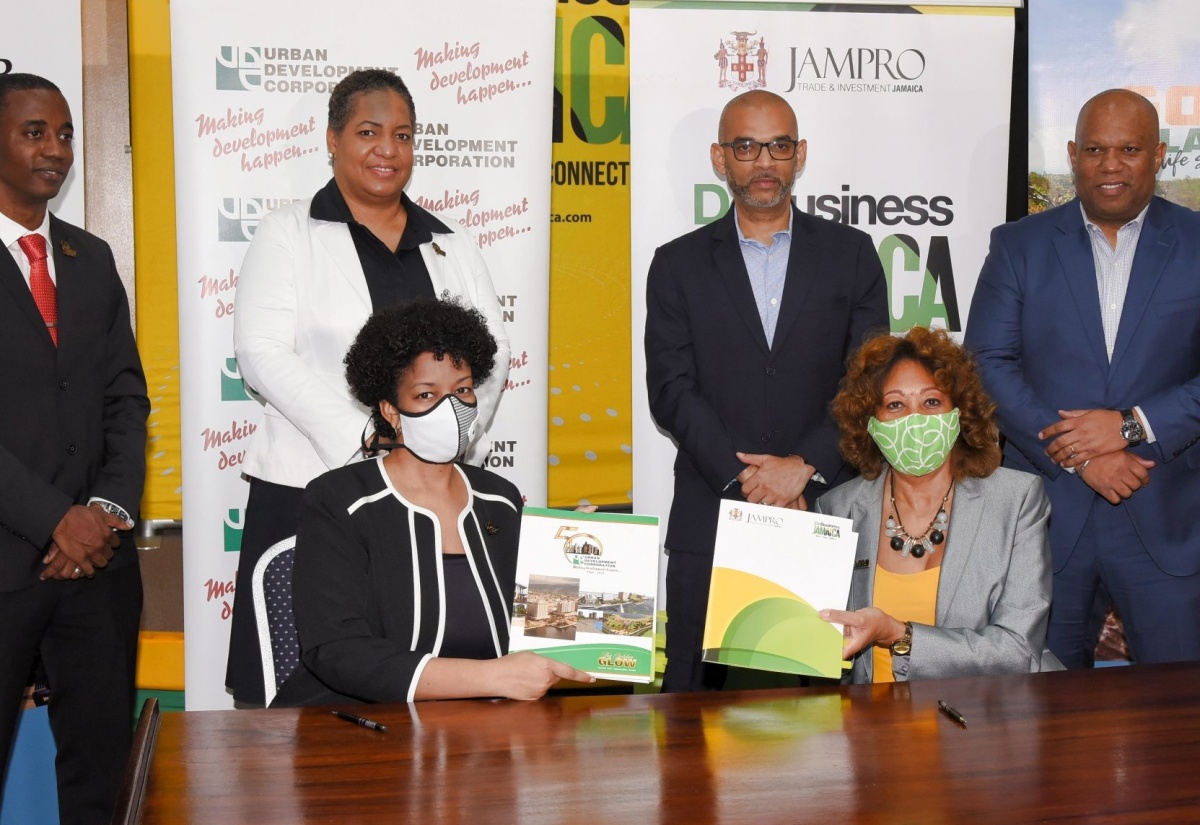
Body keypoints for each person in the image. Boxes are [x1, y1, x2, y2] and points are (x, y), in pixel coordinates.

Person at [228, 69, 511, 705]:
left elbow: (494, 356)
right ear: (332, 139)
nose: (388, 148)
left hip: (432, 495)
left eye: (403, 135)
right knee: (304, 692)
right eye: (368, 131)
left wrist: (451, 434)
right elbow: (261, 352)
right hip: (308, 486)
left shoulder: (449, 242)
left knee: (417, 662)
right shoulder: (289, 231)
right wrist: (366, 440)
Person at [644, 89, 888, 692]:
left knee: (811, 726)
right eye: (745, 146)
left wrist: (804, 467)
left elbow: (868, 381)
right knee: (693, 723)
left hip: (821, 512)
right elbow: (671, 390)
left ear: (799, 154)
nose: (763, 162)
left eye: (778, 146)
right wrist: (747, 481)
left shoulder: (852, 254)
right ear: (719, 158)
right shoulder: (676, 264)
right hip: (713, 512)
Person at [964, 89, 1200, 668]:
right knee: (1035, 724)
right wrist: (1081, 455)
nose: (1111, 164)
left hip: (1167, 521)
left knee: (1176, 725)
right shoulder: (1018, 245)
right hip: (1047, 522)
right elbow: (986, 362)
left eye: (1129, 149)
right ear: (1073, 153)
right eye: (1095, 149)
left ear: (1159, 154)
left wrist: (1132, 426)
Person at [272, 300, 590, 705]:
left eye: (462, 390)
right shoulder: (340, 500)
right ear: (391, 411)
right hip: (366, 730)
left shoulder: (501, 500)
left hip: (491, 729)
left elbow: (548, 634)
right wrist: (492, 678)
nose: (451, 408)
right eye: (426, 395)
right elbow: (337, 650)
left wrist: (571, 565)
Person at [0, 74, 148, 822]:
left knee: (100, 782)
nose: (55, 149)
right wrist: (54, 516)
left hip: (97, 567)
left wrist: (103, 509)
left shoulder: (91, 259)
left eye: (63, 133)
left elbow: (127, 397)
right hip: (6, 560)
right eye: (34, 131)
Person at [817, 328, 1057, 683]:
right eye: (895, 405)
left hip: (980, 721)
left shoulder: (1016, 500)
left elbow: (1017, 650)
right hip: (870, 724)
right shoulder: (837, 508)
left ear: (959, 412)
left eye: (931, 402)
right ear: (870, 424)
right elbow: (823, 649)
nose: (915, 420)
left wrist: (901, 636)